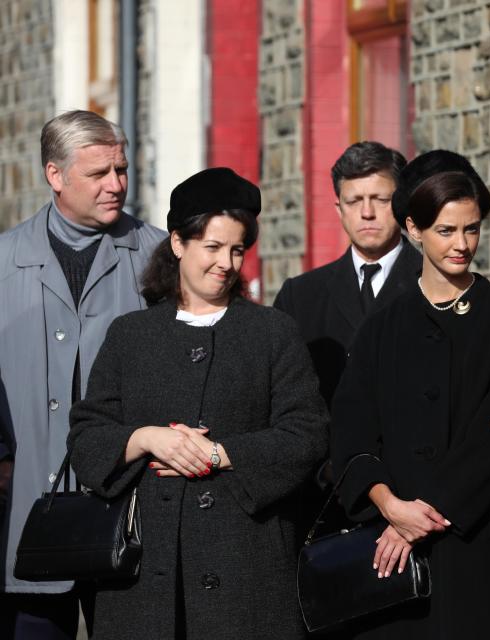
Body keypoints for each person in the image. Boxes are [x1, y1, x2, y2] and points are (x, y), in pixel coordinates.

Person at [67, 167, 328, 640]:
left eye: (237, 249)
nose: (226, 263)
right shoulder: (131, 336)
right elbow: (86, 439)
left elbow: (307, 436)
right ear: (178, 243)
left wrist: (220, 455)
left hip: (250, 576)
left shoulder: (273, 333)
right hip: (142, 586)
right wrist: (147, 439)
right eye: (212, 247)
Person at [330, 150, 490, 638]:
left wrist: (421, 513)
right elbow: (351, 431)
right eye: (446, 231)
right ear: (413, 229)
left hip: (474, 539)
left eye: (471, 229)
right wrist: (390, 508)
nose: (462, 244)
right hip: (389, 549)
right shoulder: (381, 326)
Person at [0, 110, 165, 639]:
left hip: (130, 501)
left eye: (121, 170)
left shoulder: (159, 256)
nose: (116, 185)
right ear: (55, 174)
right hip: (24, 506)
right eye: (99, 174)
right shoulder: (4, 261)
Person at [274, 141, 421, 408]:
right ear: (339, 209)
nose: (367, 213)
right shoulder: (300, 297)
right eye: (354, 201)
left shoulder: (436, 284)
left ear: (402, 203)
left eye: (380, 199)